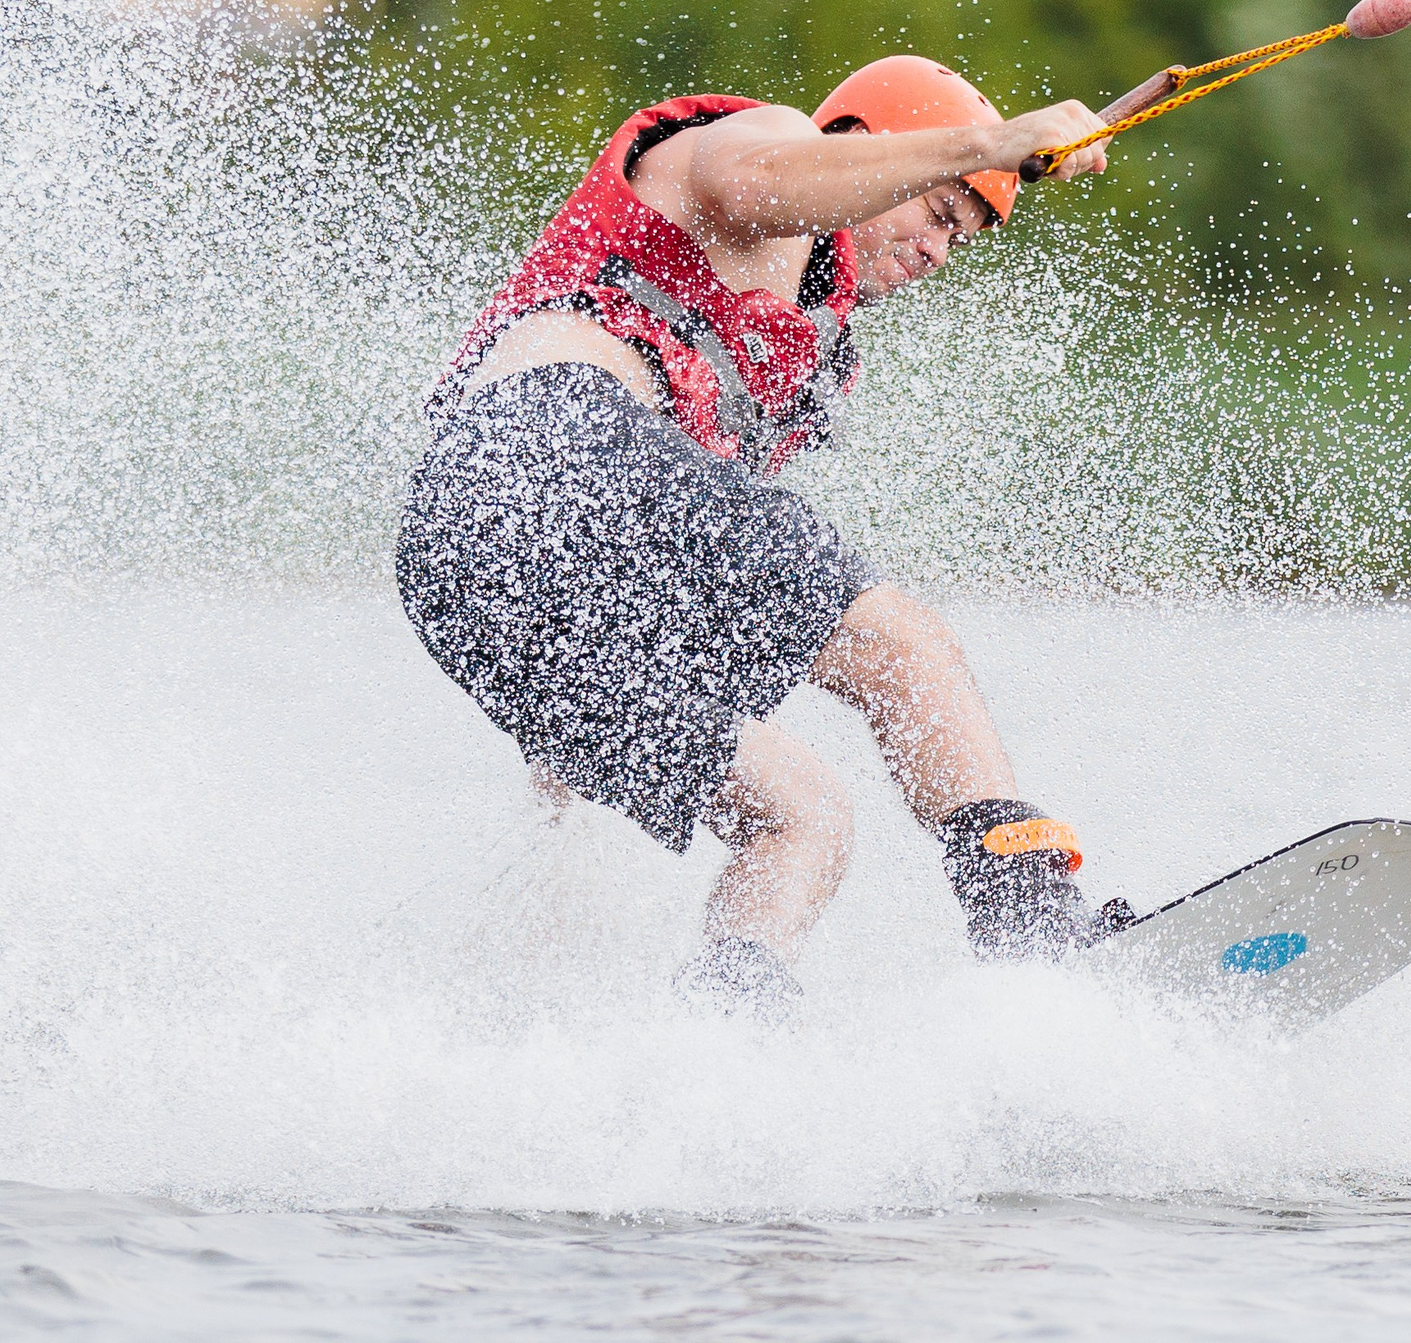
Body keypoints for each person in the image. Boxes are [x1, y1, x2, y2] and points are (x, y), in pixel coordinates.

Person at [396, 57, 1130, 1017]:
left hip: (468, 575)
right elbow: (763, 183)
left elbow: (668, 562)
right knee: (903, 648)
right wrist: (991, 143)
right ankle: (1036, 925)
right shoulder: (764, 144)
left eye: (959, 234)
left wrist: (567, 763)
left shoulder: (803, 351)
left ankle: (726, 1036)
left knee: (803, 817)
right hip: (539, 444)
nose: (939, 250)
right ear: (865, 145)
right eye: (938, 210)